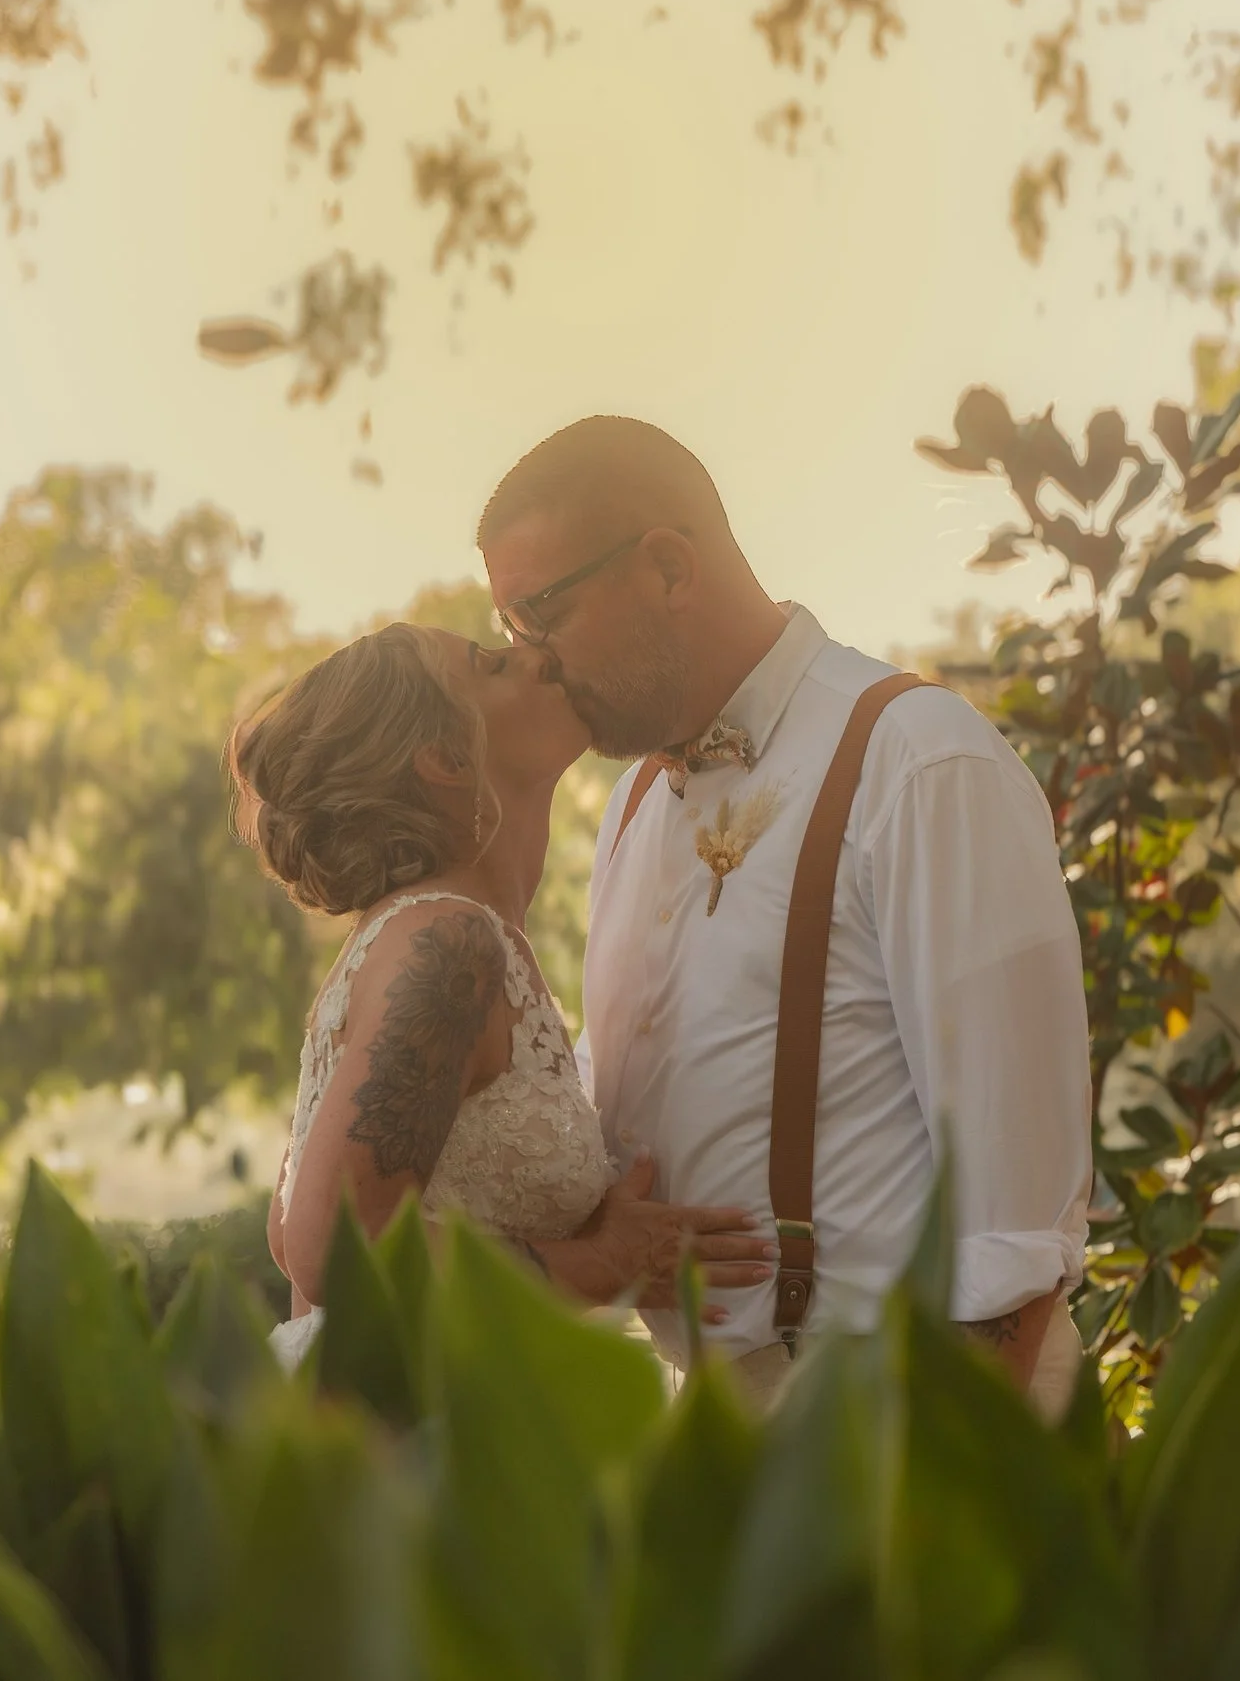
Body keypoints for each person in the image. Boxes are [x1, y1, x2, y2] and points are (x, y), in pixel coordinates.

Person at [478, 415, 1091, 1414]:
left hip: (909, 1403)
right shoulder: (636, 802)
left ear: (669, 568)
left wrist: (940, 1486)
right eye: (510, 633)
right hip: (727, 1420)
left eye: (541, 614)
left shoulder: (919, 761)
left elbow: (1011, 1214)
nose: (535, 661)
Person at [230, 621, 775, 1370]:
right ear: (445, 758)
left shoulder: (435, 938)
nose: (537, 654)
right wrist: (607, 1263)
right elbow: (327, 1246)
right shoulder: (447, 944)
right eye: (491, 663)